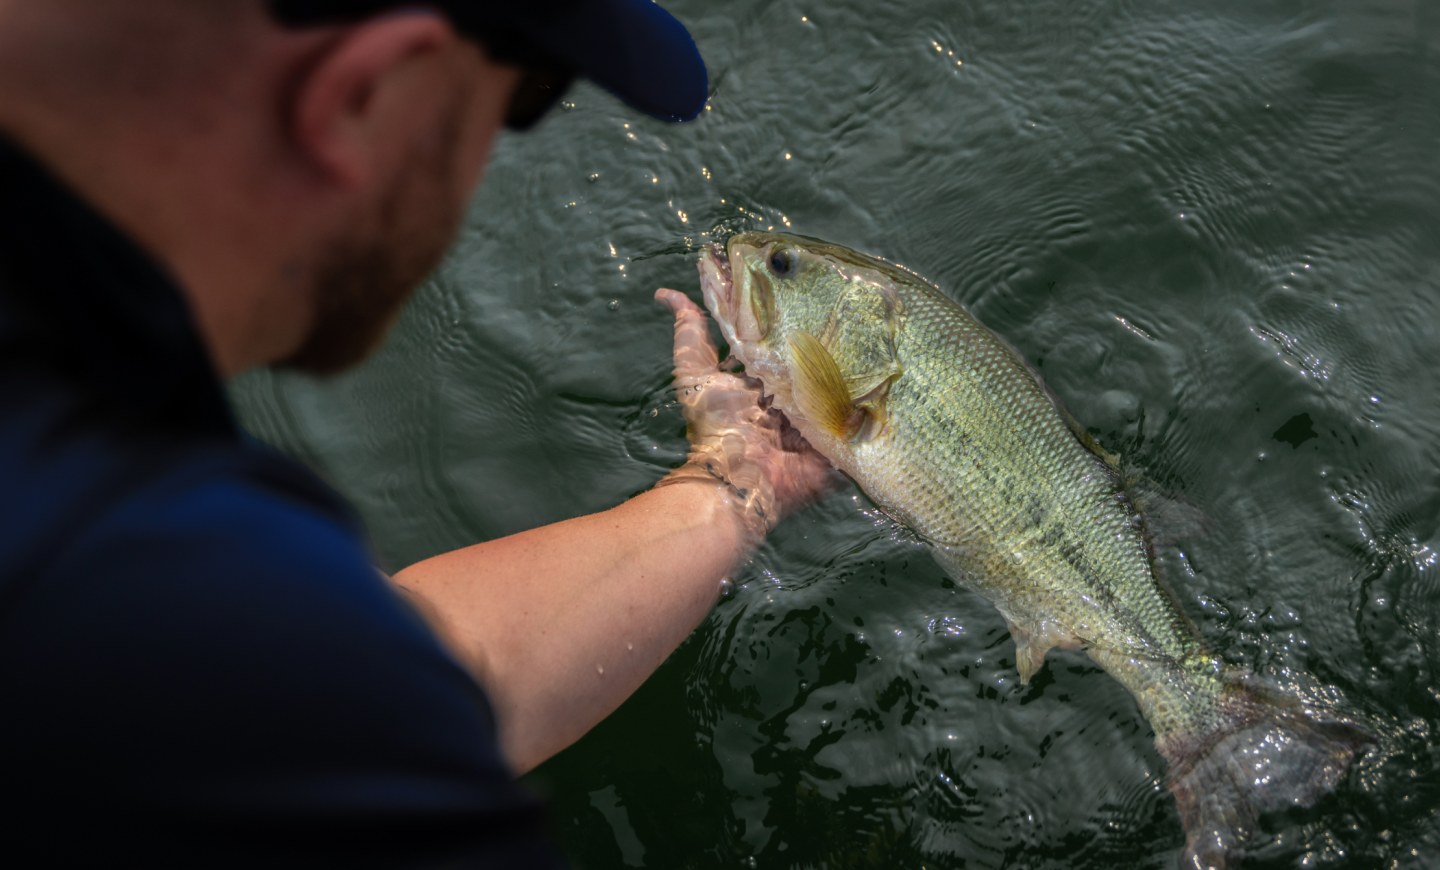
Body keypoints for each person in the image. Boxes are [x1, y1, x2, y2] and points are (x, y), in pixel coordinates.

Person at [0, 0, 834, 865]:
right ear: (357, 97)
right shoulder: (128, 582)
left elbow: (423, 672)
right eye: (526, 96)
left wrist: (736, 487)